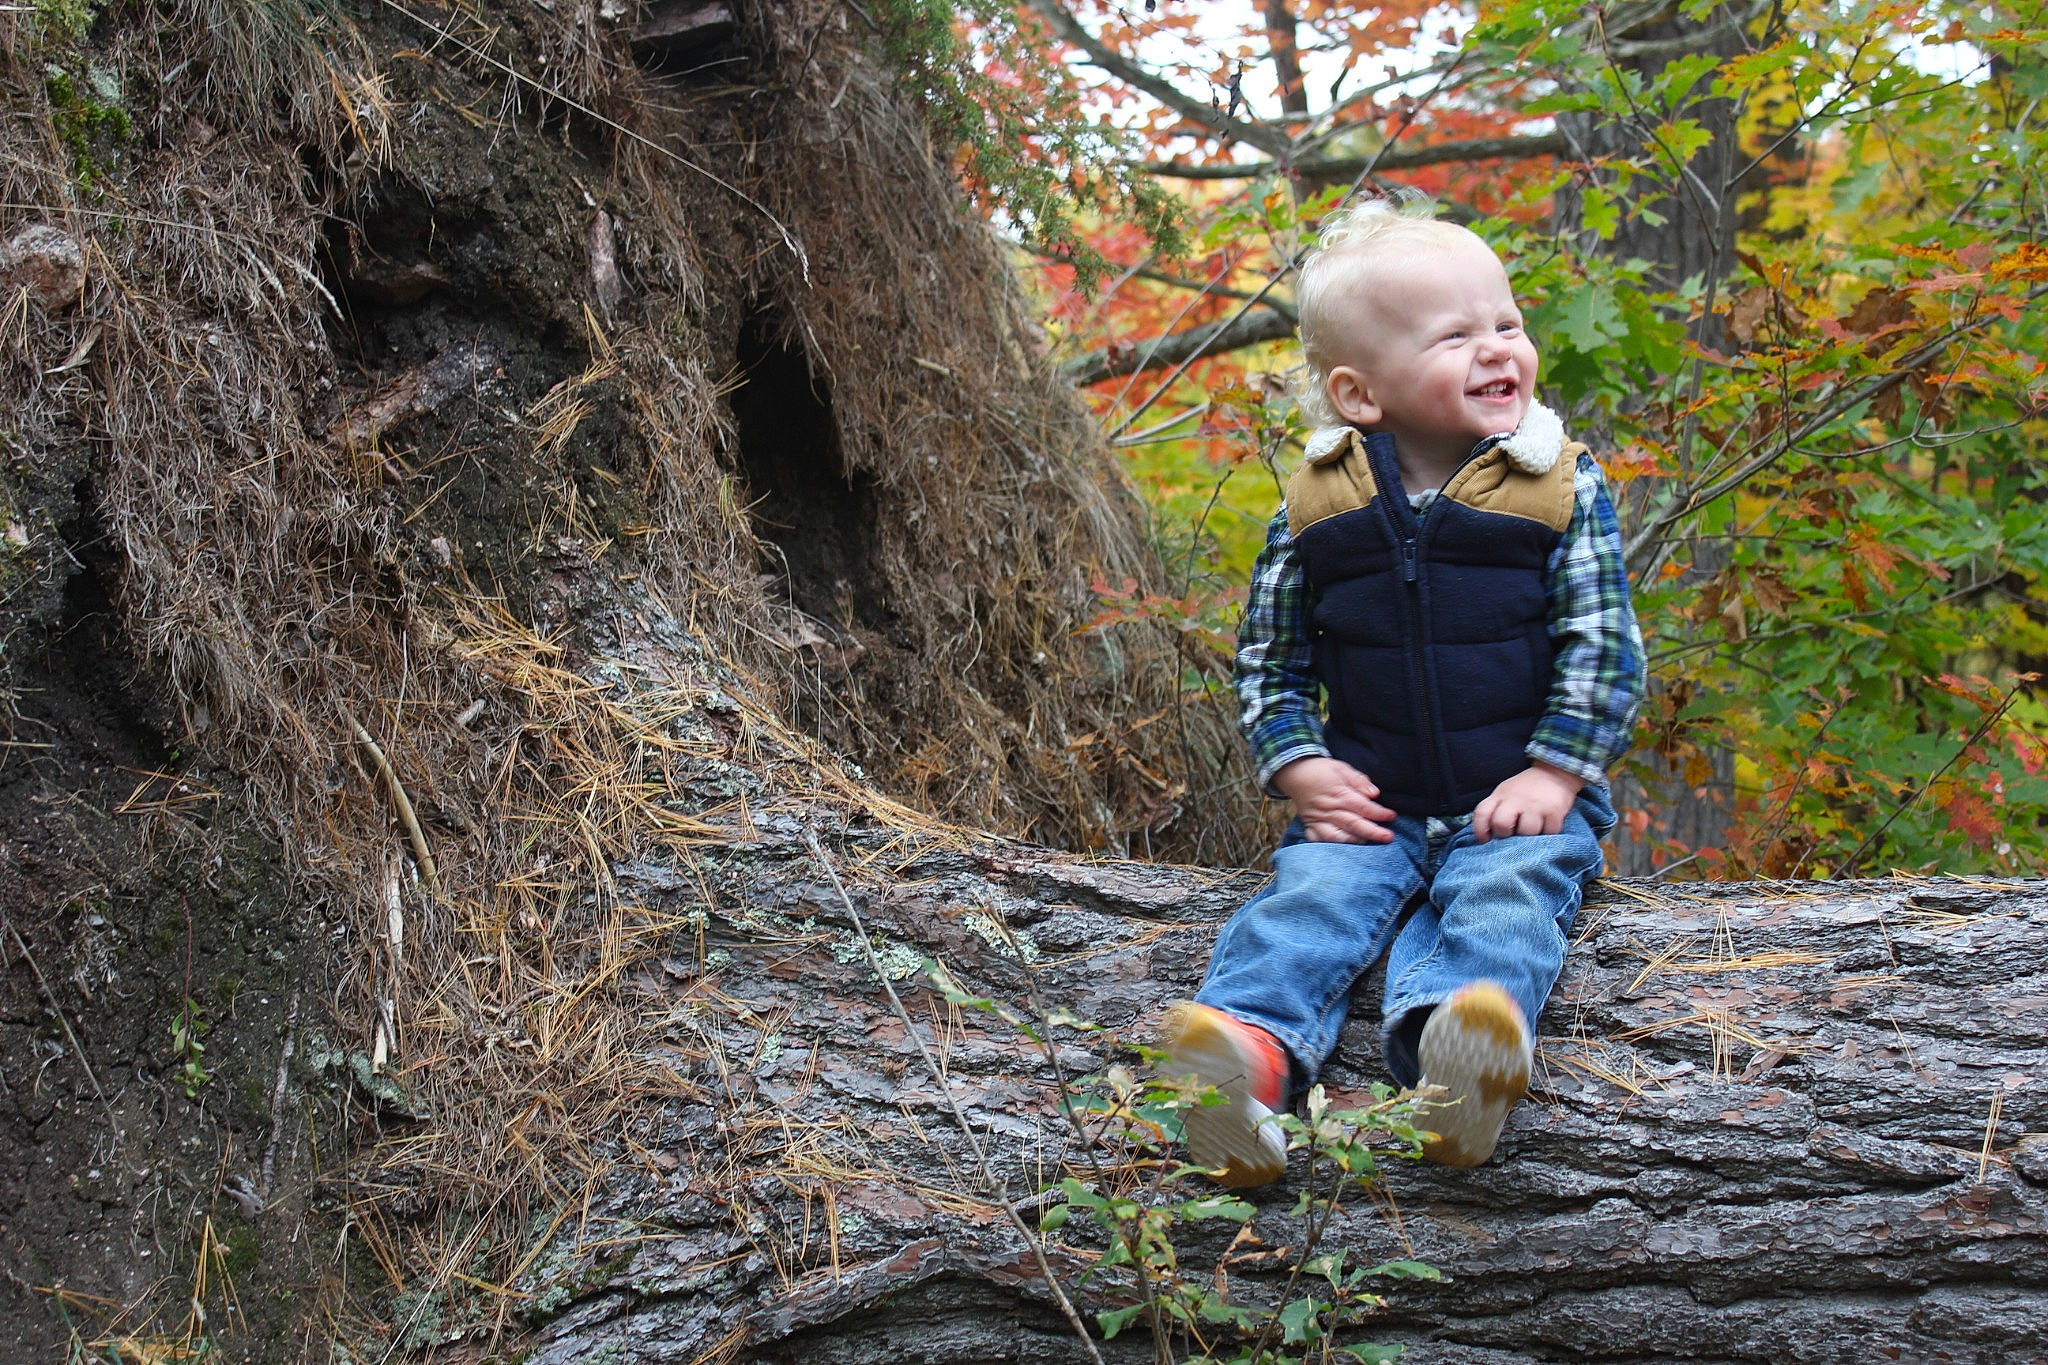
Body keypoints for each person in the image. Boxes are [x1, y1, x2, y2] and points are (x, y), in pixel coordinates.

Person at [1165, 196, 1644, 1186]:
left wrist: (1556, 773)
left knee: (1506, 901)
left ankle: (1452, 1074)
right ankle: (1240, 1068)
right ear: (1358, 393)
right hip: (1371, 800)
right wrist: (1297, 766)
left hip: (1511, 797)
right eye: (1455, 335)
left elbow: (1603, 646)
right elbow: (1269, 655)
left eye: (1505, 323)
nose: (1496, 349)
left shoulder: (1555, 489)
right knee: (1304, 905)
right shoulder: (1317, 507)